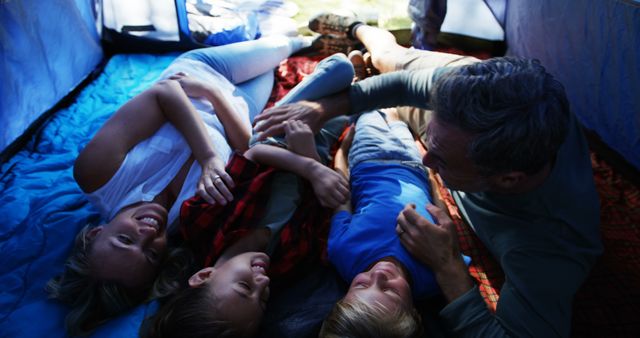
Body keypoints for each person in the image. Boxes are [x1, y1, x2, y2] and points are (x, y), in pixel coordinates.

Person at [254, 13, 603, 338]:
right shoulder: (477, 93)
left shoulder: (548, 246)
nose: (426, 160)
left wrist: (448, 266)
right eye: (429, 145)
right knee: (388, 57)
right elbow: (406, 86)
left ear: (507, 180)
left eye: (442, 162)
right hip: (452, 123)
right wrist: (326, 107)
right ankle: (358, 29)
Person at [45, 35, 321, 336]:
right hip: (241, 107)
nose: (148, 234)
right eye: (151, 253)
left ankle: (305, 36)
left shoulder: (97, 175)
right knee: (273, 68)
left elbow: (165, 92)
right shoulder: (193, 218)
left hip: (203, 72)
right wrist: (215, 97)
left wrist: (209, 156)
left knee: (283, 45)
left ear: (97, 232)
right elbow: (249, 149)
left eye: (125, 240)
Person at [143, 54, 355, 338]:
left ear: (204, 276)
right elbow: (323, 209)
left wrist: (310, 168)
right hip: (314, 151)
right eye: (263, 298)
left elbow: (252, 153)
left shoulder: (204, 221)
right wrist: (311, 156)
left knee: (341, 69)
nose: (262, 281)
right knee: (355, 108)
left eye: (245, 287)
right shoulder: (286, 263)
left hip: (275, 136)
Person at [319, 108, 469, 338]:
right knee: (396, 115)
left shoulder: (343, 252)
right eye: (390, 291)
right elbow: (441, 216)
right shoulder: (437, 276)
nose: (378, 275)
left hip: (368, 157)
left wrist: (342, 150)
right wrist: (431, 177)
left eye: (360, 285)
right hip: (413, 164)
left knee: (371, 109)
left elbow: (343, 195)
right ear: (414, 313)